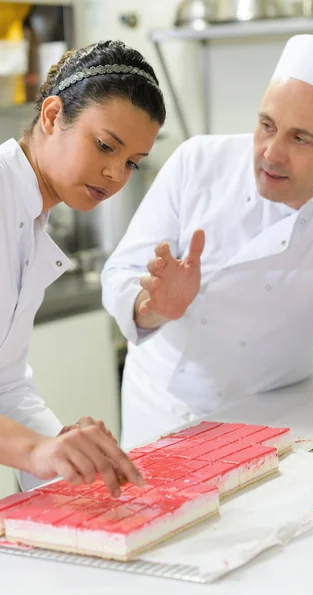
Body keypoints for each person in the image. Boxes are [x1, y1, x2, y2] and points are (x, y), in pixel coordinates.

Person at [102, 34, 313, 449]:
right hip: (157, 406)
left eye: (300, 139)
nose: (270, 154)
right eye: (266, 126)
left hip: (268, 421)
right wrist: (152, 306)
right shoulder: (197, 162)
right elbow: (120, 273)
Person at [0, 39, 165, 495]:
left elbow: (6, 387)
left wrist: (63, 454)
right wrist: (36, 452)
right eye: (104, 146)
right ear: (53, 117)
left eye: (131, 161)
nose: (115, 174)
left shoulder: (29, 216)